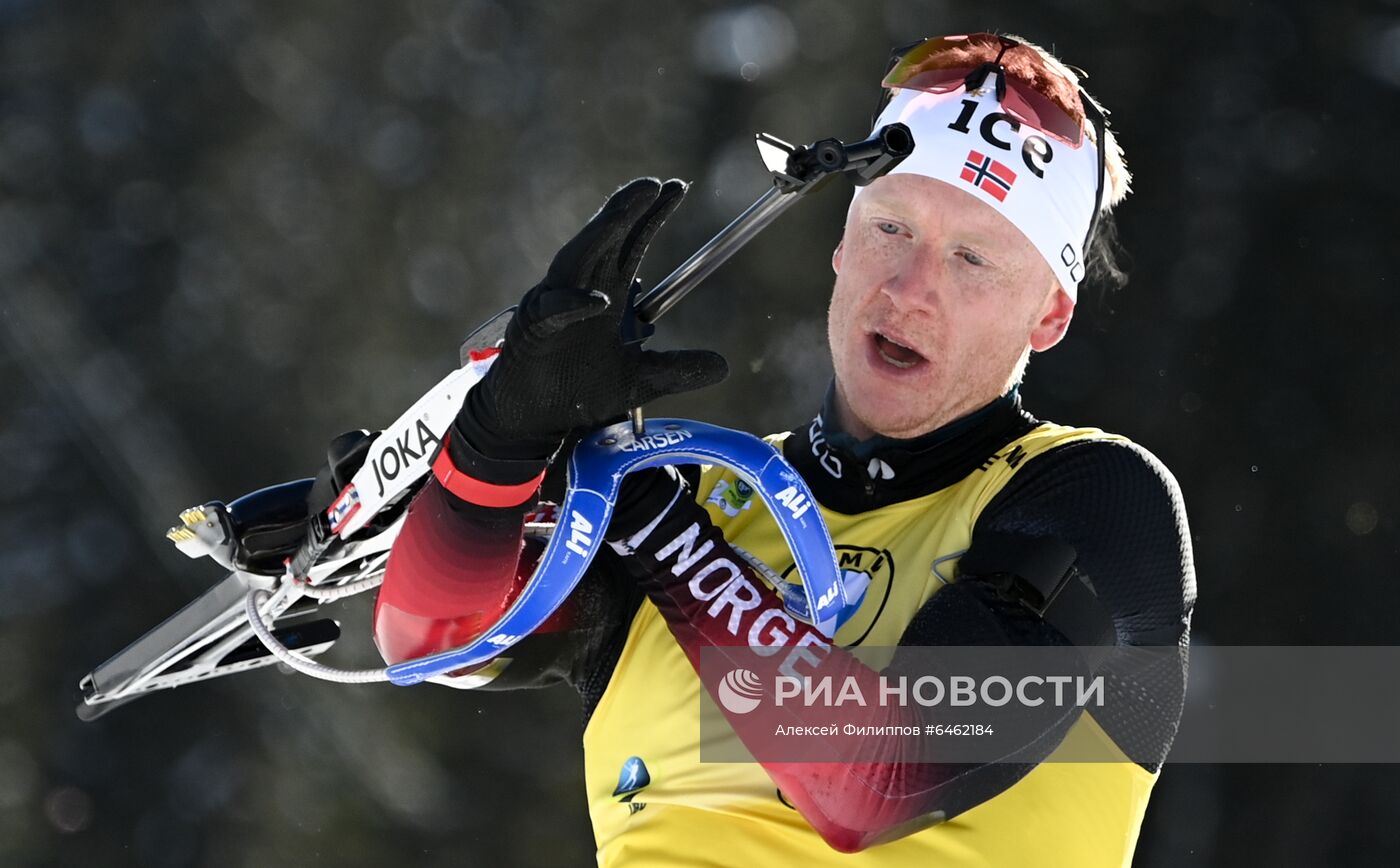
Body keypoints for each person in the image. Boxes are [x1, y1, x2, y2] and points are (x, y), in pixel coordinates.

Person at [367, 32, 1195, 866]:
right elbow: (433, 639)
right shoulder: (703, 495)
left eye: (973, 258)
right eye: (892, 228)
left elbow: (876, 778)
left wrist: (656, 519)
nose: (909, 289)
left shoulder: (1093, 497)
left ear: (1049, 314)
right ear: (842, 244)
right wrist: (500, 439)